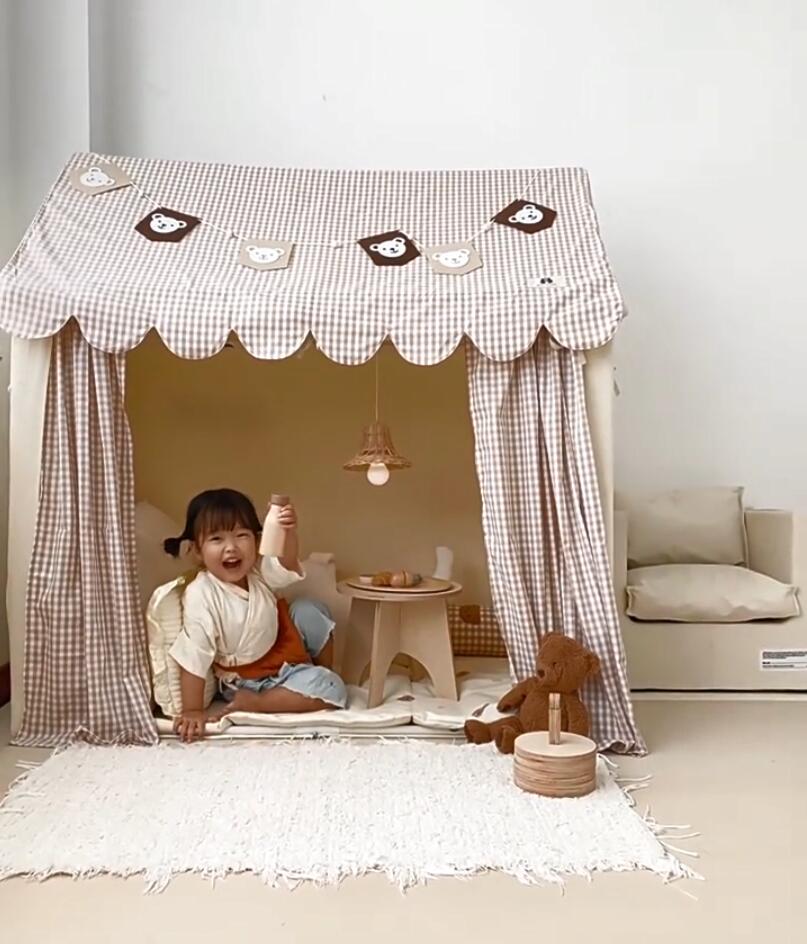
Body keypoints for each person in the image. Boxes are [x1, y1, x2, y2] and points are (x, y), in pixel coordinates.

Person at [163, 488, 347, 742]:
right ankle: (258, 703)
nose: (231, 548)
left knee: (310, 609)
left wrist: (288, 531)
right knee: (333, 689)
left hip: (286, 654)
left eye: (241, 536)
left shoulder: (258, 572)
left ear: (257, 541)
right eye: (217, 539)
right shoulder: (201, 594)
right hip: (250, 681)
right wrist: (192, 710)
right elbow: (194, 654)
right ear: (197, 551)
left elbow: (286, 562)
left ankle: (318, 675)